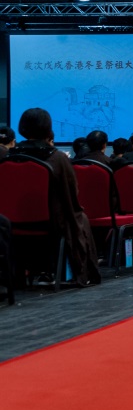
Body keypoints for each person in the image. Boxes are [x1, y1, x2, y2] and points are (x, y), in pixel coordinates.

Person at [10, 108, 101, 287]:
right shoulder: (57, 158)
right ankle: (83, 272)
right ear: (48, 128)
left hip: (11, 223)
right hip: (52, 223)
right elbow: (71, 195)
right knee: (79, 217)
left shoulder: (9, 157)